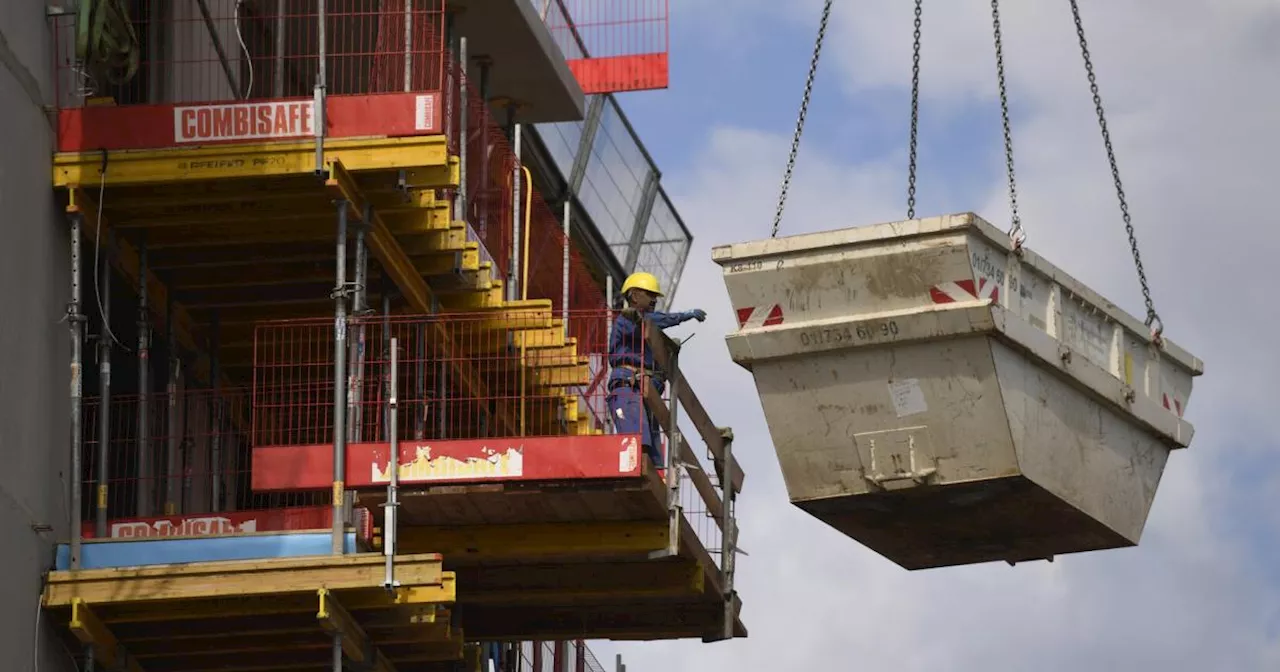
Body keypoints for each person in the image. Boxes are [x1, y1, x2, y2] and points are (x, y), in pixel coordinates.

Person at [606, 271, 706, 468]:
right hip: (629, 386)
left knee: (654, 452)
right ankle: (637, 472)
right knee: (637, 439)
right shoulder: (628, 319)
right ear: (634, 295)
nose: (654, 300)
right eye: (650, 294)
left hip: (647, 391)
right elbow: (655, 321)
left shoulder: (646, 328)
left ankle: (655, 474)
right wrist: (685, 316)